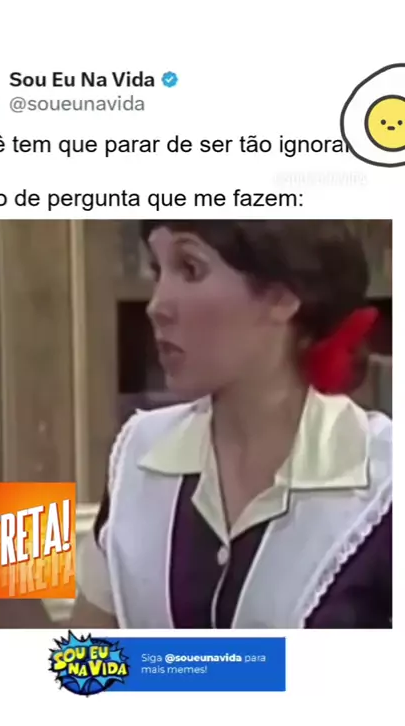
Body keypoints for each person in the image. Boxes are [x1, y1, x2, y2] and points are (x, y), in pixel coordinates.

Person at [71, 220, 392, 630]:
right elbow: (83, 656)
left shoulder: (383, 479)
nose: (157, 306)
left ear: (281, 296)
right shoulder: (139, 450)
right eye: (157, 270)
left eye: (190, 269)